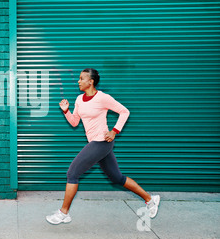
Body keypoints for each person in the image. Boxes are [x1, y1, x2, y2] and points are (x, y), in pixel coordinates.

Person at [46, 68, 160, 225]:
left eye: (81, 78)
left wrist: (114, 131)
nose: (78, 81)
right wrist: (66, 111)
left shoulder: (103, 98)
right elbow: (74, 122)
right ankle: (150, 199)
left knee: (72, 173)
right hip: (95, 143)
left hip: (101, 142)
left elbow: (124, 111)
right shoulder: (79, 99)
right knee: (116, 177)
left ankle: (63, 213)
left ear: (90, 82)